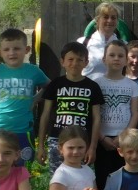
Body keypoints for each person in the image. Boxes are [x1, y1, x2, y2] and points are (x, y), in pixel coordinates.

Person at [0, 28, 49, 166]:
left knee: (21, 172)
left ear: (26, 50)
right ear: (0, 52)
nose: (12, 53)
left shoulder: (33, 71)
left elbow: (50, 87)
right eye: (6, 49)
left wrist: (35, 99)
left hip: (23, 130)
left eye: (17, 48)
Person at [37, 41, 103, 172]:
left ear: (86, 62)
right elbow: (45, 115)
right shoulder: (55, 84)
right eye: (70, 59)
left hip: (82, 142)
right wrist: (40, 146)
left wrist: (92, 147)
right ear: (62, 62)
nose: (75, 63)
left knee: (81, 178)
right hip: (57, 140)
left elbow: (97, 118)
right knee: (57, 177)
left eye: (79, 60)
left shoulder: (93, 87)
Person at [94, 40, 138, 189]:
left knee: (123, 179)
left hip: (125, 140)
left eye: (120, 56)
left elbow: (135, 113)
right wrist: (102, 138)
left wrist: (123, 136)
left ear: (126, 60)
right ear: (104, 59)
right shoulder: (96, 84)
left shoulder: (132, 85)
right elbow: (93, 115)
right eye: (112, 55)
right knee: (102, 178)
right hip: (102, 140)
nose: (116, 58)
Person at [81, 2, 123, 79]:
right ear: (97, 20)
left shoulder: (124, 45)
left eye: (113, 18)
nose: (109, 21)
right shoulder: (83, 43)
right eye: (106, 17)